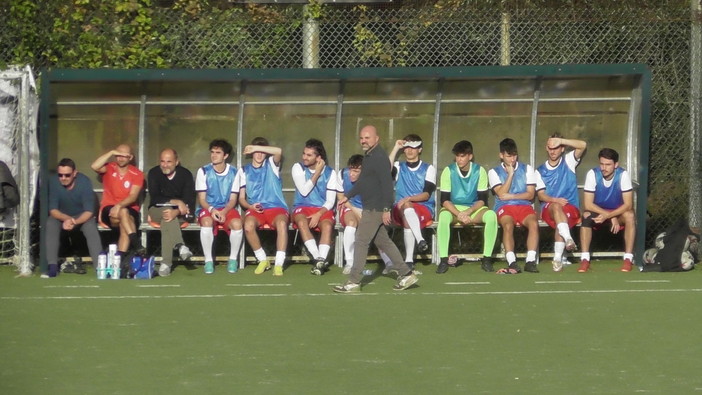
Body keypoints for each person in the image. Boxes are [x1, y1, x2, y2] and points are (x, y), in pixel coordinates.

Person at [333, 125, 419, 293]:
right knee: (383, 242)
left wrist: (387, 208)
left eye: (367, 137)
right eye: (362, 138)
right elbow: (364, 182)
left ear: (376, 139)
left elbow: (387, 184)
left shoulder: (378, 157)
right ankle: (406, 273)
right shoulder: (369, 156)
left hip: (376, 208)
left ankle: (353, 281)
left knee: (361, 241)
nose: (364, 141)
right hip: (372, 207)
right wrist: (347, 196)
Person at [436, 140, 498, 274]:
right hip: (453, 209)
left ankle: (486, 259)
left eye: (462, 156)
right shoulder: (448, 171)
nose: (459, 159)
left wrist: (469, 212)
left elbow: (482, 200)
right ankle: (443, 260)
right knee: (443, 217)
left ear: (470, 156)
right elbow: (445, 201)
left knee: (491, 216)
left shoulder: (480, 171)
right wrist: (459, 214)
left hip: (474, 208)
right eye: (457, 156)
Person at [237, 137, 289, 276]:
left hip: (276, 207)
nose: (259, 154)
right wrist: (250, 206)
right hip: (256, 209)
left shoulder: (271, 164)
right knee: (248, 226)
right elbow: (241, 198)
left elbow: (278, 151)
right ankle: (262, 260)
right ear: (251, 154)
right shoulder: (244, 170)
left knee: (282, 224)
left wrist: (256, 147)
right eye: (256, 151)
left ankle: (279, 263)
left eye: (262, 151)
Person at [578, 148, 636, 272]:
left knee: (630, 215)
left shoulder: (623, 175)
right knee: (587, 215)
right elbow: (588, 204)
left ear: (616, 165)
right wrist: (609, 215)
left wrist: (611, 215)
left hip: (617, 212)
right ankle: (584, 259)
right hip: (599, 212)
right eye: (602, 164)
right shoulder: (592, 174)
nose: (604, 168)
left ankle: (628, 259)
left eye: (608, 164)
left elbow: (628, 205)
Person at [535, 134, 587, 272]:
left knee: (561, 220)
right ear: (546, 148)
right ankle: (566, 244)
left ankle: (558, 259)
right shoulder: (539, 170)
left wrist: (562, 140)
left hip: (570, 207)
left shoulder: (569, 161)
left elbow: (583, 145)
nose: (553, 151)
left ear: (562, 149)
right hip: (549, 207)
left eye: (557, 147)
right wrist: (555, 200)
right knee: (558, 209)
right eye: (550, 148)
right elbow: (541, 195)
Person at [488, 138, 539, 273]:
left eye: (514, 155)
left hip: (524, 206)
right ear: (501, 155)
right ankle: (512, 261)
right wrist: (510, 175)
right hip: (504, 207)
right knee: (508, 225)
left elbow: (530, 194)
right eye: (508, 155)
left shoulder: (527, 169)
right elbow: (500, 194)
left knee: (534, 223)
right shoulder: (494, 172)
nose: (512, 159)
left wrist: (512, 196)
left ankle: (530, 261)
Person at [336, 154, 394, 275]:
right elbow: (341, 198)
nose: (351, 173)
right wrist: (355, 210)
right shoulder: (342, 174)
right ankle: (350, 262)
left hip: (368, 209)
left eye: (356, 171)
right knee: (351, 224)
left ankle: (389, 263)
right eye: (351, 169)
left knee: (378, 230)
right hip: (349, 206)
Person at [45, 158, 102, 277]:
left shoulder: (85, 182)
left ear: (74, 173)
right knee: (50, 223)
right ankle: (52, 266)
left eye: (67, 175)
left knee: (91, 227)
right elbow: (53, 210)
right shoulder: (53, 182)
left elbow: (89, 212)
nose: (63, 178)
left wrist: (74, 221)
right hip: (61, 217)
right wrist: (66, 219)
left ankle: (100, 267)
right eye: (60, 175)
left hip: (81, 217)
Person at [195, 139, 244, 275]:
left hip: (227, 208)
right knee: (207, 222)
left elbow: (233, 199)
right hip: (208, 208)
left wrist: (224, 211)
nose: (214, 155)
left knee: (237, 224)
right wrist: (212, 210)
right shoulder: (203, 171)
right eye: (212, 152)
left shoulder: (234, 172)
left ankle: (233, 259)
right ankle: (208, 261)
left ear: (226, 156)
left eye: (218, 152)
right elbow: (202, 199)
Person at [387, 134, 436, 269]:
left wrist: (409, 199)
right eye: (406, 147)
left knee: (408, 208)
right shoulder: (398, 166)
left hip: (423, 208)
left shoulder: (428, 168)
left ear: (420, 149)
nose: (409, 150)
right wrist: (396, 147)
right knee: (406, 208)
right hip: (399, 209)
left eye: (413, 148)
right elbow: (385, 170)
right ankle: (420, 240)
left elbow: (426, 195)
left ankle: (409, 260)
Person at [291, 138, 337, 275]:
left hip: (322, 208)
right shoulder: (297, 167)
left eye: (309, 155)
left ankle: (320, 260)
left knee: (327, 226)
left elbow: (330, 201)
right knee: (301, 221)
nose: (304, 157)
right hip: (302, 206)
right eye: (304, 153)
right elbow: (304, 191)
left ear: (319, 158)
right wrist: (317, 172)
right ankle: (318, 259)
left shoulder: (331, 173)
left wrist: (318, 214)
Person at [147, 148, 195, 277]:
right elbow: (155, 198)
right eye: (162, 161)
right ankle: (180, 246)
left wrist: (177, 211)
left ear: (177, 162)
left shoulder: (185, 175)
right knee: (167, 214)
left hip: (179, 214)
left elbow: (189, 200)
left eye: (169, 161)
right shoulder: (154, 173)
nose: (165, 165)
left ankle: (166, 263)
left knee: (168, 218)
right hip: (156, 210)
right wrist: (176, 202)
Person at [91, 144, 144, 256]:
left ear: (130, 157)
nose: (120, 158)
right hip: (109, 210)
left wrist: (119, 206)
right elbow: (94, 166)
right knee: (125, 216)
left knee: (124, 216)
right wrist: (111, 152)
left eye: (124, 156)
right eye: (118, 155)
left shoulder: (137, 174)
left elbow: (133, 196)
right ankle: (135, 243)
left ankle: (119, 260)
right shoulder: (109, 167)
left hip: (129, 209)